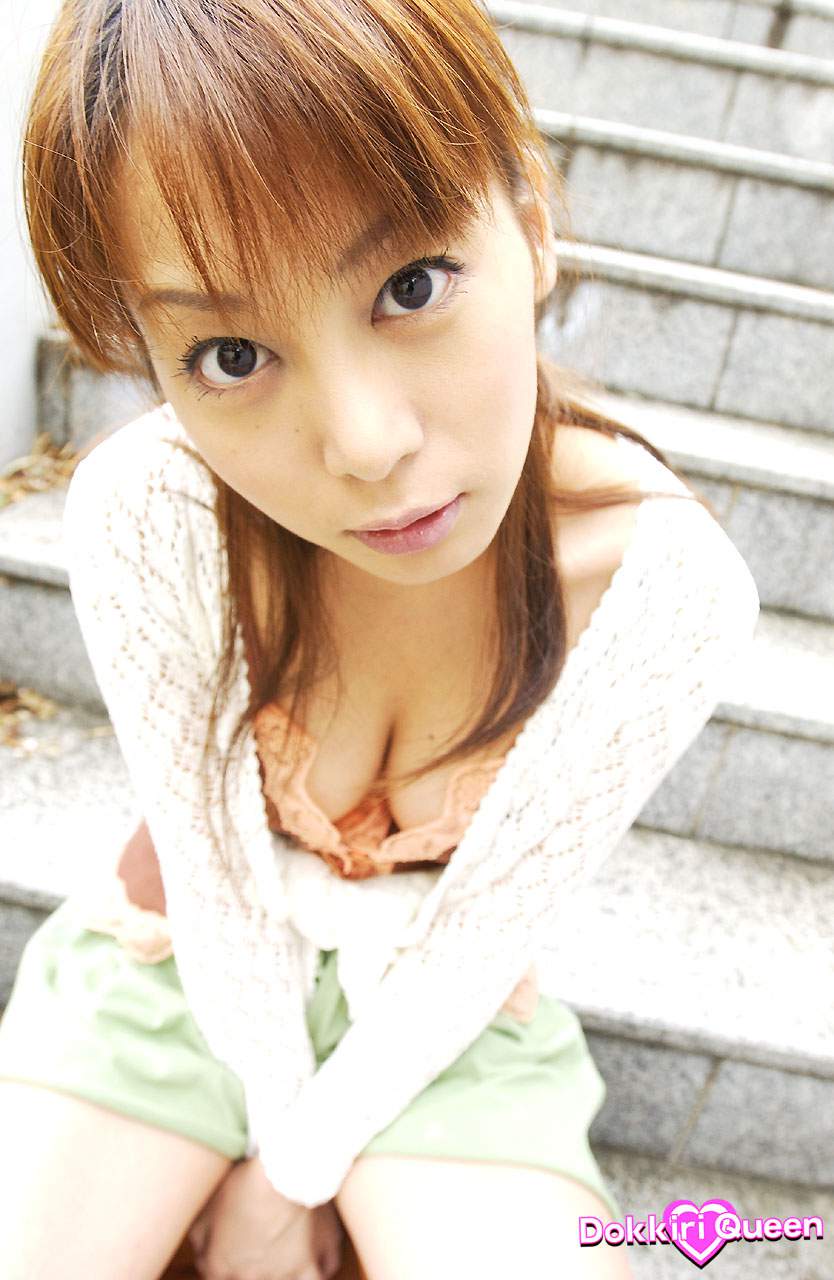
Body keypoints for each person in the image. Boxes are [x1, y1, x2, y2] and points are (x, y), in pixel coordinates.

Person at [0, 1, 760, 1278]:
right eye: (230, 352)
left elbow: (474, 937)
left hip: (440, 1016)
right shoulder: (151, 507)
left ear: (532, 221)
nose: (365, 443)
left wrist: (287, 1176)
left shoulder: (663, 589)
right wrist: (275, 1127)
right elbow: (214, 883)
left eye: (411, 286)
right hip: (181, 954)